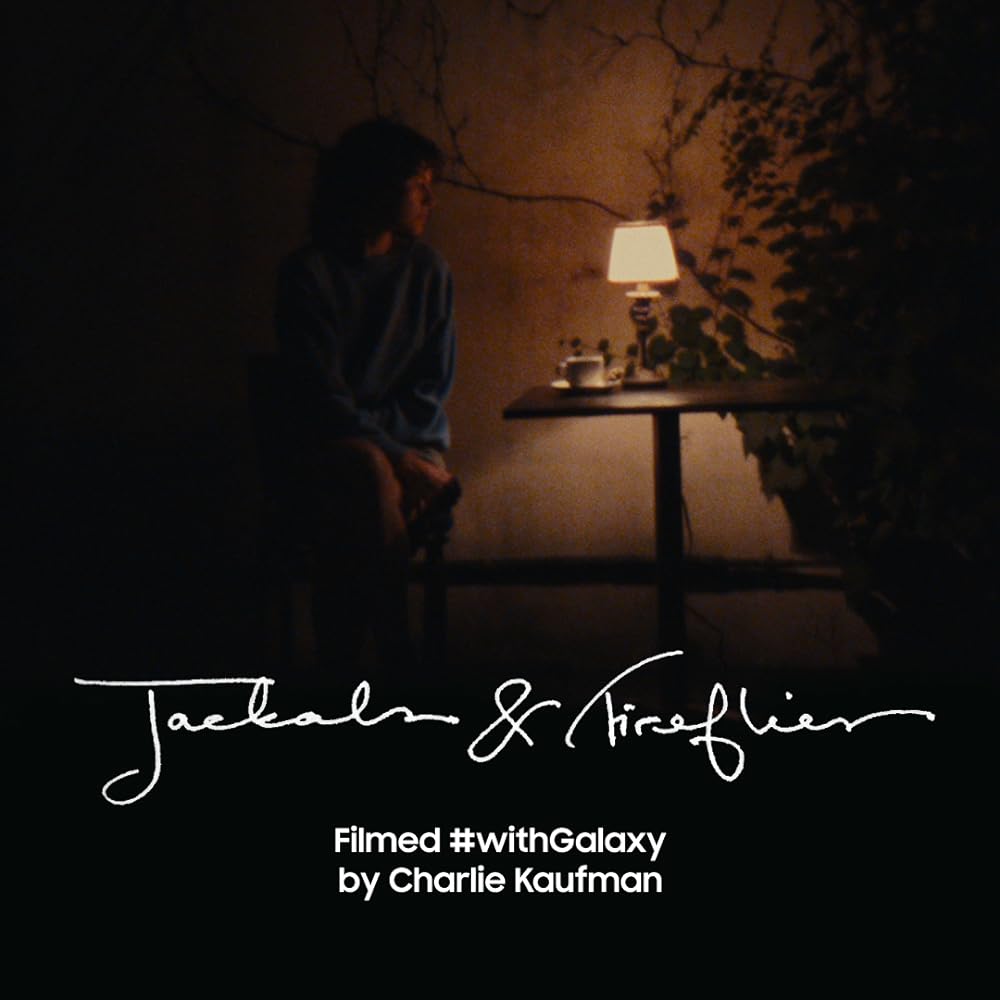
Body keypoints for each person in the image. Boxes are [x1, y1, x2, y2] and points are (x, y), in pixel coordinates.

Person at [274, 118, 458, 674]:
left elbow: (429, 391)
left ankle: (343, 672)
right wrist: (394, 459)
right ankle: (397, 652)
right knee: (365, 471)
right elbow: (321, 399)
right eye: (416, 185)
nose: (428, 200)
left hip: (410, 447)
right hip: (331, 450)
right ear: (375, 186)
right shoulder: (309, 274)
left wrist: (404, 456)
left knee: (361, 503)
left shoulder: (428, 272)